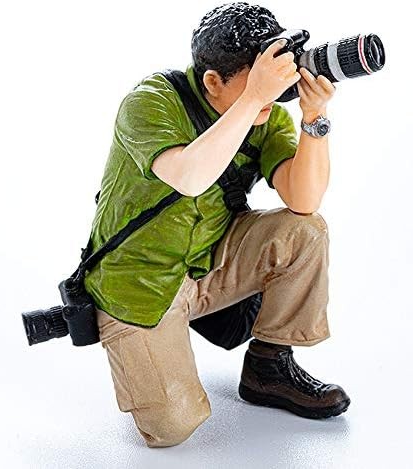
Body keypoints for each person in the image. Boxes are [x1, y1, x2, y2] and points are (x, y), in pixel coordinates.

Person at [84, 2, 351, 448]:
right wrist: (251, 99)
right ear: (212, 81)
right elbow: (189, 177)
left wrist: (313, 119)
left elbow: (304, 200)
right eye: (259, 78)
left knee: (306, 232)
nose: (273, 91)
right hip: (139, 284)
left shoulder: (264, 115)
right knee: (173, 428)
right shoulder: (151, 101)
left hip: (209, 265)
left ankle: (268, 367)